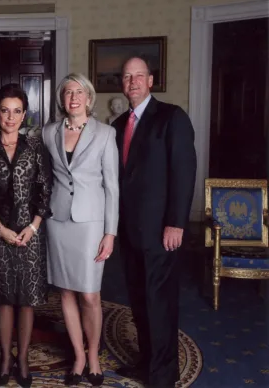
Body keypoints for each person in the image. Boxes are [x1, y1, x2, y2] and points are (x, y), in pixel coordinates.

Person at [112, 57, 196, 387]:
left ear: (150, 81)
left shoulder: (172, 117)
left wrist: (176, 223)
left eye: (138, 76)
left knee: (159, 304)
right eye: (127, 76)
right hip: (129, 231)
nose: (132, 81)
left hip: (162, 231)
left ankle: (163, 375)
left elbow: (184, 172)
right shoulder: (118, 125)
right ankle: (145, 361)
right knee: (138, 299)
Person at [42, 73, 119, 387]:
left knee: (89, 293)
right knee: (66, 292)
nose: (73, 98)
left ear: (89, 97)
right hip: (57, 221)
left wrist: (110, 232)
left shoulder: (105, 133)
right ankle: (77, 356)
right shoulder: (48, 132)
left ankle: (93, 355)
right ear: (62, 99)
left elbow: (112, 187)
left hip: (90, 223)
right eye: (67, 92)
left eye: (78, 92)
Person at [0, 83, 52, 388]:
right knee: (4, 300)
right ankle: (6, 360)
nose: (10, 117)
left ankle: (22, 359)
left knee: (27, 301)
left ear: (24, 115)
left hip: (30, 234)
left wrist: (32, 227)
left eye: (17, 111)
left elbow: (45, 192)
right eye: (5, 111)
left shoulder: (36, 148)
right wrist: (0, 228)